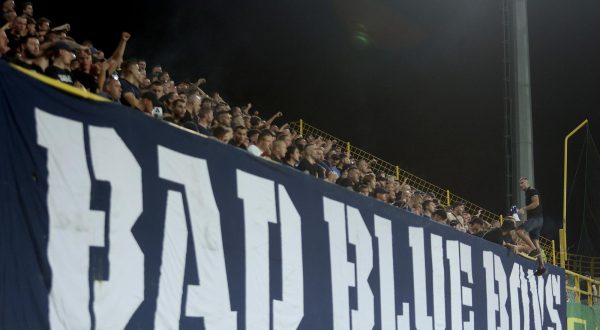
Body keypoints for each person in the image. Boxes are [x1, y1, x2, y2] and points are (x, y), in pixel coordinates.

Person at [516, 177, 546, 275]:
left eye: (522, 183)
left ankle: (534, 249)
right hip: (537, 220)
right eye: (520, 184)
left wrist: (524, 209)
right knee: (535, 241)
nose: (521, 185)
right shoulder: (528, 193)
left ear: (527, 182)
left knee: (519, 231)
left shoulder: (532, 190)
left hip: (536, 219)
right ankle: (541, 266)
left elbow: (536, 203)